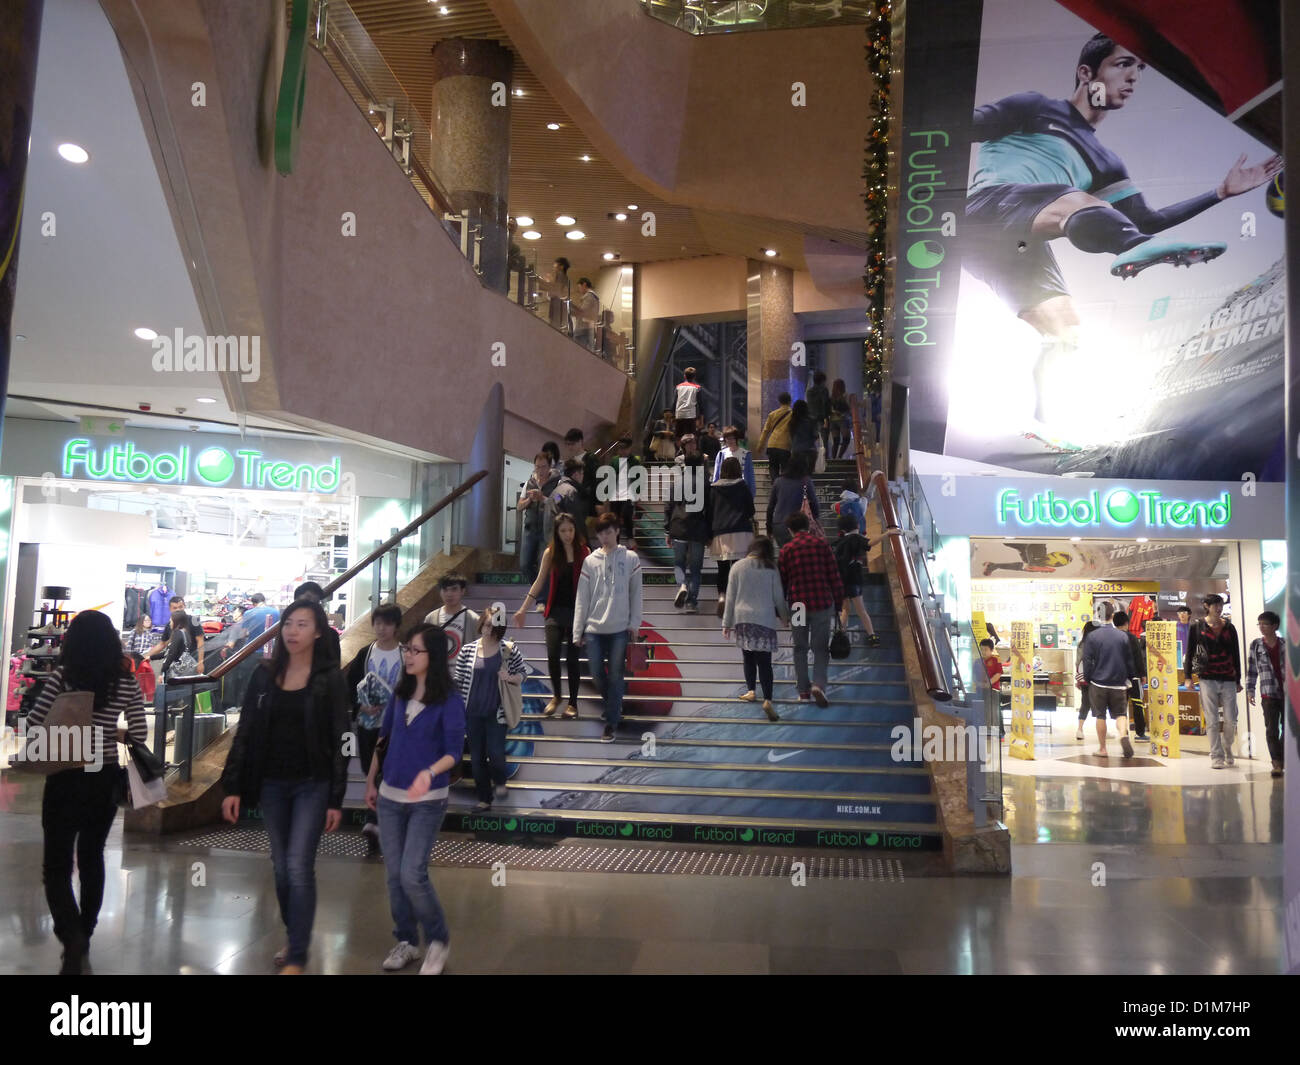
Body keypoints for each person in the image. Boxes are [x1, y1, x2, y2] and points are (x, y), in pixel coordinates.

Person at [966, 32, 1281, 441]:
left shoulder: (1106, 163)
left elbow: (1145, 221)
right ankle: (1132, 253)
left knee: (1067, 336)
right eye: (1122, 64)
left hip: (1022, 243)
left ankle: (1041, 427)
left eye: (1140, 69)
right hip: (986, 210)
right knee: (1080, 202)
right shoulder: (1034, 106)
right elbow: (961, 126)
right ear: (1086, 73)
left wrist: (1220, 193)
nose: (1133, 77)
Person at [220, 599, 350, 974]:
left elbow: (343, 738)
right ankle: (295, 934)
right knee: (280, 867)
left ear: (319, 632)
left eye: (302, 624)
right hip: (272, 784)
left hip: (313, 784)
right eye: (288, 624)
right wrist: (232, 786)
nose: (292, 631)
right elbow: (245, 731)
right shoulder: (264, 675)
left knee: (297, 865)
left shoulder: (329, 680)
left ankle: (297, 956)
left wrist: (336, 798)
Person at [29, 610, 149, 974]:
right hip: (104, 776)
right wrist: (110, 732)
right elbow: (140, 734)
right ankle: (86, 932)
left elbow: (35, 723)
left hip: (66, 774)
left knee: (57, 864)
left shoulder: (62, 678)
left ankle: (71, 937)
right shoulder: (125, 681)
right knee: (93, 857)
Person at [363, 623, 465, 976]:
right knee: (394, 874)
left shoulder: (449, 700)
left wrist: (429, 772)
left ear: (432, 656)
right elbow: (384, 737)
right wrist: (372, 779)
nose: (407, 655)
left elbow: (454, 751)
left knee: (412, 873)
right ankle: (406, 940)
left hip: (428, 800)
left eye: (414, 650)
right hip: (390, 798)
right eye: (407, 649)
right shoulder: (400, 693)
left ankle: (438, 940)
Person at [573, 512, 643, 742]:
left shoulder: (631, 558)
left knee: (615, 675)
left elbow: (637, 594)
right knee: (595, 674)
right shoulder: (590, 561)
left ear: (617, 532)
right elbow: (582, 598)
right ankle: (615, 704)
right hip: (593, 628)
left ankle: (611, 722)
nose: (605, 536)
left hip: (619, 629)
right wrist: (578, 630)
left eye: (608, 531)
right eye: (601, 532)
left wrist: (634, 624)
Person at [514, 512, 588, 720]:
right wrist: (523, 609)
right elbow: (539, 582)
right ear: (556, 532)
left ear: (576, 530)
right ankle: (556, 696)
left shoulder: (584, 552)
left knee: (573, 659)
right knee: (553, 654)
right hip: (554, 610)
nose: (567, 534)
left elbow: (591, 584)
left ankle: (573, 702)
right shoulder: (550, 553)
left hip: (577, 612)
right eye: (563, 530)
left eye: (570, 530)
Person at [453, 611, 528, 810]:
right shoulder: (468, 650)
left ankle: (500, 782)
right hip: (472, 713)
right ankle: (484, 798)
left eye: (493, 627)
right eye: (486, 625)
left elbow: (523, 673)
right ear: (481, 625)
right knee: (476, 757)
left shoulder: (508, 650)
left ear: (500, 628)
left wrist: (509, 678)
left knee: (495, 752)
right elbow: (458, 681)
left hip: (497, 712)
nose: (488, 631)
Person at [344, 602, 404, 847]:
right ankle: (377, 822)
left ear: (396, 626)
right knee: (371, 770)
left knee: (386, 772)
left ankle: (375, 821)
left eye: (387, 623)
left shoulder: (405, 653)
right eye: (377, 623)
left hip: (395, 725)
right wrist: (360, 706)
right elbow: (350, 685)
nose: (381, 628)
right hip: (368, 724)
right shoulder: (365, 653)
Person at [779, 510, 843, 707]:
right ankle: (818, 685)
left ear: (790, 530)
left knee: (799, 648)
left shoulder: (786, 550)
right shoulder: (822, 545)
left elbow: (782, 582)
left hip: (798, 606)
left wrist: (781, 610)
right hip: (822, 603)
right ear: (808, 526)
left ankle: (803, 692)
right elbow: (834, 576)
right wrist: (838, 603)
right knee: (820, 648)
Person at [722, 536, 788, 721]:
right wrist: (785, 617)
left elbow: (730, 597)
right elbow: (778, 597)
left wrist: (726, 623)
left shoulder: (737, 567)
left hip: (743, 620)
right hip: (764, 619)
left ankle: (751, 690)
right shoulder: (771, 568)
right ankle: (768, 699)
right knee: (764, 662)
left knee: (748, 656)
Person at [1187, 594, 1242, 769]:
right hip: (1207, 677)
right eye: (1215, 605)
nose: (1219, 608)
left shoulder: (1229, 627)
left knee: (1231, 719)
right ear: (1206, 606)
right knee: (1211, 719)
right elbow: (1190, 653)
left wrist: (1238, 678)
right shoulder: (1197, 626)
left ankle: (1227, 746)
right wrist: (1188, 677)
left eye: (1220, 605)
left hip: (1228, 677)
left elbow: (1236, 654)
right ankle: (1216, 756)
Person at [1080, 614, 1140, 758]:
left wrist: (1088, 678)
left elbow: (1087, 660)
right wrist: (1132, 676)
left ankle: (1102, 749)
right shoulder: (1122, 636)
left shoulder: (1092, 637)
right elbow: (1129, 660)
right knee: (1121, 714)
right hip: (1118, 683)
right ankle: (1122, 735)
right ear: (1112, 616)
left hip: (1098, 682)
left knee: (1100, 715)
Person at [709, 456, 755, 618]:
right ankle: (737, 599)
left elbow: (709, 513)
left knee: (722, 569)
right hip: (741, 532)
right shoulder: (742, 487)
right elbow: (751, 510)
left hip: (720, 533)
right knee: (739, 568)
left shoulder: (713, 489)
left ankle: (722, 596)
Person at [666, 451, 711, 614]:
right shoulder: (705, 483)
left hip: (678, 528)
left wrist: (667, 530)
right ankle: (692, 602)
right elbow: (710, 510)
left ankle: (682, 584)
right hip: (698, 530)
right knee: (696, 568)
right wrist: (710, 533)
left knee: (679, 563)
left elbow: (669, 507)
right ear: (700, 465)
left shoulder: (677, 482)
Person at [1246, 610, 1285, 777]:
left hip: (1288, 693)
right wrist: (1250, 690)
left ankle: (1282, 757)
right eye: (1259, 624)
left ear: (1274, 626)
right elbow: (1252, 670)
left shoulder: (1284, 644)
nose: (1261, 627)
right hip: (1268, 693)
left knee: (1290, 729)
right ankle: (1276, 763)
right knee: (1271, 729)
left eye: (1265, 624)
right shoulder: (1256, 645)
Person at [833, 513, 879, 648]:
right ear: (857, 526)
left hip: (841, 582)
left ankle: (841, 634)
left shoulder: (839, 542)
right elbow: (870, 543)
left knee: (845, 610)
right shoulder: (856, 538)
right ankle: (872, 636)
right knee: (861, 610)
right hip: (854, 580)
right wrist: (887, 534)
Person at [518, 452, 561, 586]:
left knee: (545, 565)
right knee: (525, 565)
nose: (540, 470)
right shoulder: (529, 483)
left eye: (543, 467)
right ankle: (538, 593)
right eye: (537, 467)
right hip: (530, 529)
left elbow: (559, 501)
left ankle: (542, 598)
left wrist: (543, 498)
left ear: (550, 467)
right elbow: (519, 506)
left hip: (547, 529)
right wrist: (530, 499)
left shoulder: (558, 482)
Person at [423, 574, 481, 661]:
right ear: (440, 592)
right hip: (438, 672)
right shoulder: (431, 618)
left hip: (463, 672)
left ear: (462, 591)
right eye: (445, 590)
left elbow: (480, 649)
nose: (449, 594)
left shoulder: (473, 619)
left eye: (454, 589)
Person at [766, 455, 817, 547]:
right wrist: (815, 520)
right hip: (800, 526)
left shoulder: (778, 481)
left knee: (786, 554)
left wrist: (769, 527)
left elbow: (770, 507)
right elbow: (814, 503)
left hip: (779, 525)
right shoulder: (806, 481)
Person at [598, 437, 642, 544]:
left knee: (627, 515)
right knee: (614, 518)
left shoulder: (634, 461)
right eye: (620, 448)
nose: (622, 451)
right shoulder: (614, 460)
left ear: (630, 448)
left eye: (624, 448)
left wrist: (637, 495)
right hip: (616, 494)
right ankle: (615, 541)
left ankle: (630, 539)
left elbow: (638, 479)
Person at [1113, 610, 1148, 741]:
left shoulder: (1112, 638)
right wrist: (1142, 674)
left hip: (1117, 677)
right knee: (1137, 703)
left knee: (1121, 706)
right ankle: (1140, 733)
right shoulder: (1131, 638)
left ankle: (1123, 732)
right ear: (1127, 623)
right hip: (1133, 676)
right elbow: (1138, 657)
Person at [146, 595, 205, 671]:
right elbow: (162, 644)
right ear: (170, 609)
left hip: (192, 660)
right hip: (175, 664)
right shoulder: (169, 625)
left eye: (180, 607)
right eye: (175, 608)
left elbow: (200, 642)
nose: (178, 610)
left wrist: (200, 662)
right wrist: (147, 656)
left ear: (184, 606)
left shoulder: (194, 620)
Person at [293, 582, 343, 662]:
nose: (311, 607)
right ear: (296, 602)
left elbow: (335, 668)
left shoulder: (330, 635)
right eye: (307, 601)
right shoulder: (287, 632)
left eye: (316, 603)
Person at [548, 458, 590, 547]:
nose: (583, 477)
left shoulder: (556, 491)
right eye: (582, 473)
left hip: (552, 540)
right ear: (576, 474)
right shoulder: (571, 492)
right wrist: (586, 545)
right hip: (565, 542)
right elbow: (577, 521)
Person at [225, 591, 280, 659]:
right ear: (264, 601)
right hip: (270, 650)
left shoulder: (248, 613)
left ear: (253, 603)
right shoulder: (276, 612)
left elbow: (243, 634)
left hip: (252, 649)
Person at [755, 392, 794, 480]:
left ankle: (775, 486)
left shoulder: (772, 414)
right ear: (790, 401)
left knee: (773, 468)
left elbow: (765, 431)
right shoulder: (793, 414)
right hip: (785, 446)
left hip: (772, 445)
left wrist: (760, 446)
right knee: (785, 470)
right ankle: (783, 489)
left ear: (779, 402)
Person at [713, 424, 756, 496]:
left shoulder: (746, 454)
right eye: (728, 438)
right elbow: (716, 474)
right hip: (724, 489)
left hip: (740, 489)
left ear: (736, 439)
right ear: (725, 439)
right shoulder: (721, 454)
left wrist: (751, 494)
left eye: (732, 438)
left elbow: (750, 476)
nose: (730, 441)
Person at [1074, 619, 1098, 740]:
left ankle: (1080, 729)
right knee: (1101, 704)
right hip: (1098, 677)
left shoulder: (1081, 643)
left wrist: (1078, 679)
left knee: (1085, 703)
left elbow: (1078, 662)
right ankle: (1102, 729)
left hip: (1084, 678)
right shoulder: (1098, 643)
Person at [788, 399, 819, 472]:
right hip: (810, 450)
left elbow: (791, 436)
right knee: (808, 474)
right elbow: (815, 435)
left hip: (797, 451)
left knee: (798, 474)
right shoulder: (812, 420)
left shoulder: (792, 422)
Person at [806, 371, 831, 455]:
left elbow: (809, 405)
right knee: (824, 441)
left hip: (811, 418)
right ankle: (825, 459)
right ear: (823, 380)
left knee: (812, 440)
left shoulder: (809, 392)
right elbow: (825, 404)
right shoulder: (824, 390)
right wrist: (826, 418)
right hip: (822, 418)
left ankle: (812, 457)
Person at [572, 276, 600, 350]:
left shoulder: (589, 296)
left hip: (583, 329)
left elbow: (583, 311)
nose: (579, 290)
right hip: (588, 328)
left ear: (584, 284)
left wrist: (572, 308)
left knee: (579, 352)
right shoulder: (594, 297)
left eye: (579, 287)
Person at [674, 366, 701, 439]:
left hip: (679, 415)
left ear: (684, 376)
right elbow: (700, 404)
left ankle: (679, 450)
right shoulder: (697, 388)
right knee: (690, 437)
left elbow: (675, 402)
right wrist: (700, 418)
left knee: (678, 437)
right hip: (691, 416)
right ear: (694, 377)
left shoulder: (678, 387)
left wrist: (673, 415)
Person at [545, 256, 571, 332]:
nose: (554, 267)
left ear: (561, 266)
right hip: (560, 309)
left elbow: (556, 292)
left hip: (557, 309)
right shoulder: (565, 277)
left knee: (554, 332)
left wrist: (549, 283)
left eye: (555, 265)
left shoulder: (560, 275)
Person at [829, 379, 852, 459]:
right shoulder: (845, 395)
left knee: (836, 441)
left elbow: (829, 409)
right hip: (842, 419)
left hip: (833, 420)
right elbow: (849, 407)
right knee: (846, 439)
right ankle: (839, 456)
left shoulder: (831, 396)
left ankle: (834, 459)